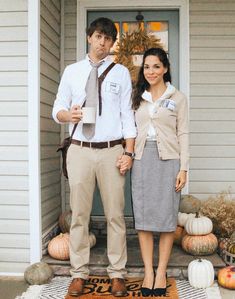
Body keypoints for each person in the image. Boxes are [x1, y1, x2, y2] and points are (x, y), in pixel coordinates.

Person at [52, 17, 136, 297]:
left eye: (109, 39)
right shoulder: (72, 71)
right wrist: (69, 115)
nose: (103, 43)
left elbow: (128, 116)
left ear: (113, 43)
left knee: (115, 215)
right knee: (79, 216)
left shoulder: (121, 72)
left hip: (112, 150)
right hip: (79, 150)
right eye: (99, 36)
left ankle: (118, 274)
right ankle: (78, 274)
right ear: (89, 37)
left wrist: (129, 152)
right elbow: (57, 109)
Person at [131, 47, 189, 297]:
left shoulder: (177, 98)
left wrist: (184, 167)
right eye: (146, 67)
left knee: (166, 219)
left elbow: (183, 133)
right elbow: (130, 130)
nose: (151, 71)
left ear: (165, 68)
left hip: (169, 161)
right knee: (143, 219)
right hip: (142, 160)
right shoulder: (138, 97)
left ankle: (162, 270)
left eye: (156, 66)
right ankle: (148, 272)